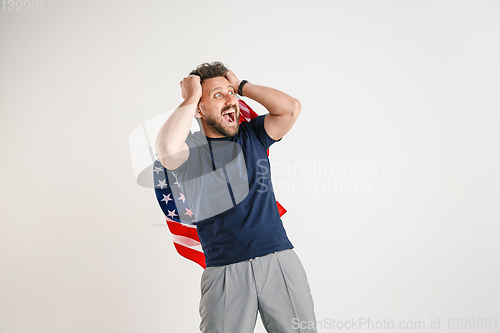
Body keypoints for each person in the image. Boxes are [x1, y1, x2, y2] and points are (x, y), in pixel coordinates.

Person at [155, 61, 317, 333]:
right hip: (224, 271)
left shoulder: (253, 134)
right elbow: (166, 147)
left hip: (278, 260)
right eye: (218, 95)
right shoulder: (190, 152)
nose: (230, 99)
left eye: (231, 93)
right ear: (199, 108)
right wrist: (191, 95)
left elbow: (291, 108)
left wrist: (241, 85)